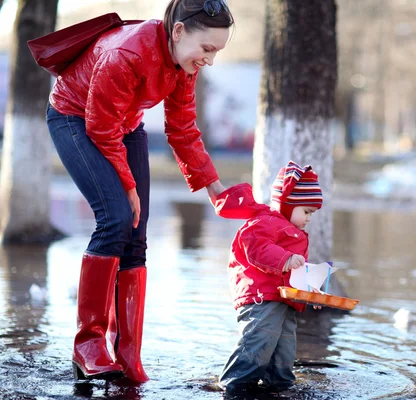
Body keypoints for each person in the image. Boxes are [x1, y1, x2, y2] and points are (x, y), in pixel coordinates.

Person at [44, 0, 234, 383]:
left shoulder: (184, 62)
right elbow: (99, 127)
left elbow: (181, 128)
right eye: (207, 49)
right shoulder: (126, 52)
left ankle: (128, 355)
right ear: (178, 31)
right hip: (75, 118)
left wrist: (214, 186)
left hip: (123, 125)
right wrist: (128, 186)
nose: (209, 60)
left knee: (137, 235)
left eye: (217, 51)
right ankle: (88, 344)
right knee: (116, 218)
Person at [213, 161, 323, 392]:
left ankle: (280, 382)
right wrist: (285, 259)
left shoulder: (293, 233)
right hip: (261, 298)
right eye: (306, 211)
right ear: (286, 203)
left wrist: (311, 289)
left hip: (285, 300)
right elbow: (255, 248)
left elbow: (296, 271)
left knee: (284, 347)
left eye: (311, 213)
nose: (309, 218)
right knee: (258, 341)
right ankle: (235, 383)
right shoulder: (266, 221)